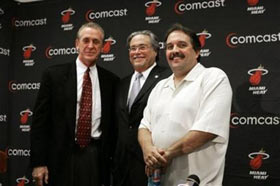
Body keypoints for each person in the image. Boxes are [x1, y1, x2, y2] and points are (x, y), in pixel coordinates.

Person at [138, 23, 232, 186]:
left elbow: (206, 131)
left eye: (182, 45)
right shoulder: (160, 86)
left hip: (197, 181)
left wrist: (165, 156)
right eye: (169, 46)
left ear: (197, 52)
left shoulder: (213, 78)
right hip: (159, 181)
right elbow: (144, 127)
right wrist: (148, 152)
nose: (174, 50)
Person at [30, 22, 119, 186]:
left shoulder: (111, 81)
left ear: (102, 46)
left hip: (95, 156)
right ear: (77, 44)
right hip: (60, 157)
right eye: (86, 40)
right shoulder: (54, 75)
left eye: (96, 41)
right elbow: (39, 123)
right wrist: (38, 162)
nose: (90, 46)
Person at [113, 30, 171, 186]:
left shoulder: (168, 78)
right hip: (122, 167)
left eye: (142, 47)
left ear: (155, 50)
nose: (137, 52)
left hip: (152, 163)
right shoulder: (121, 83)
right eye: (133, 48)